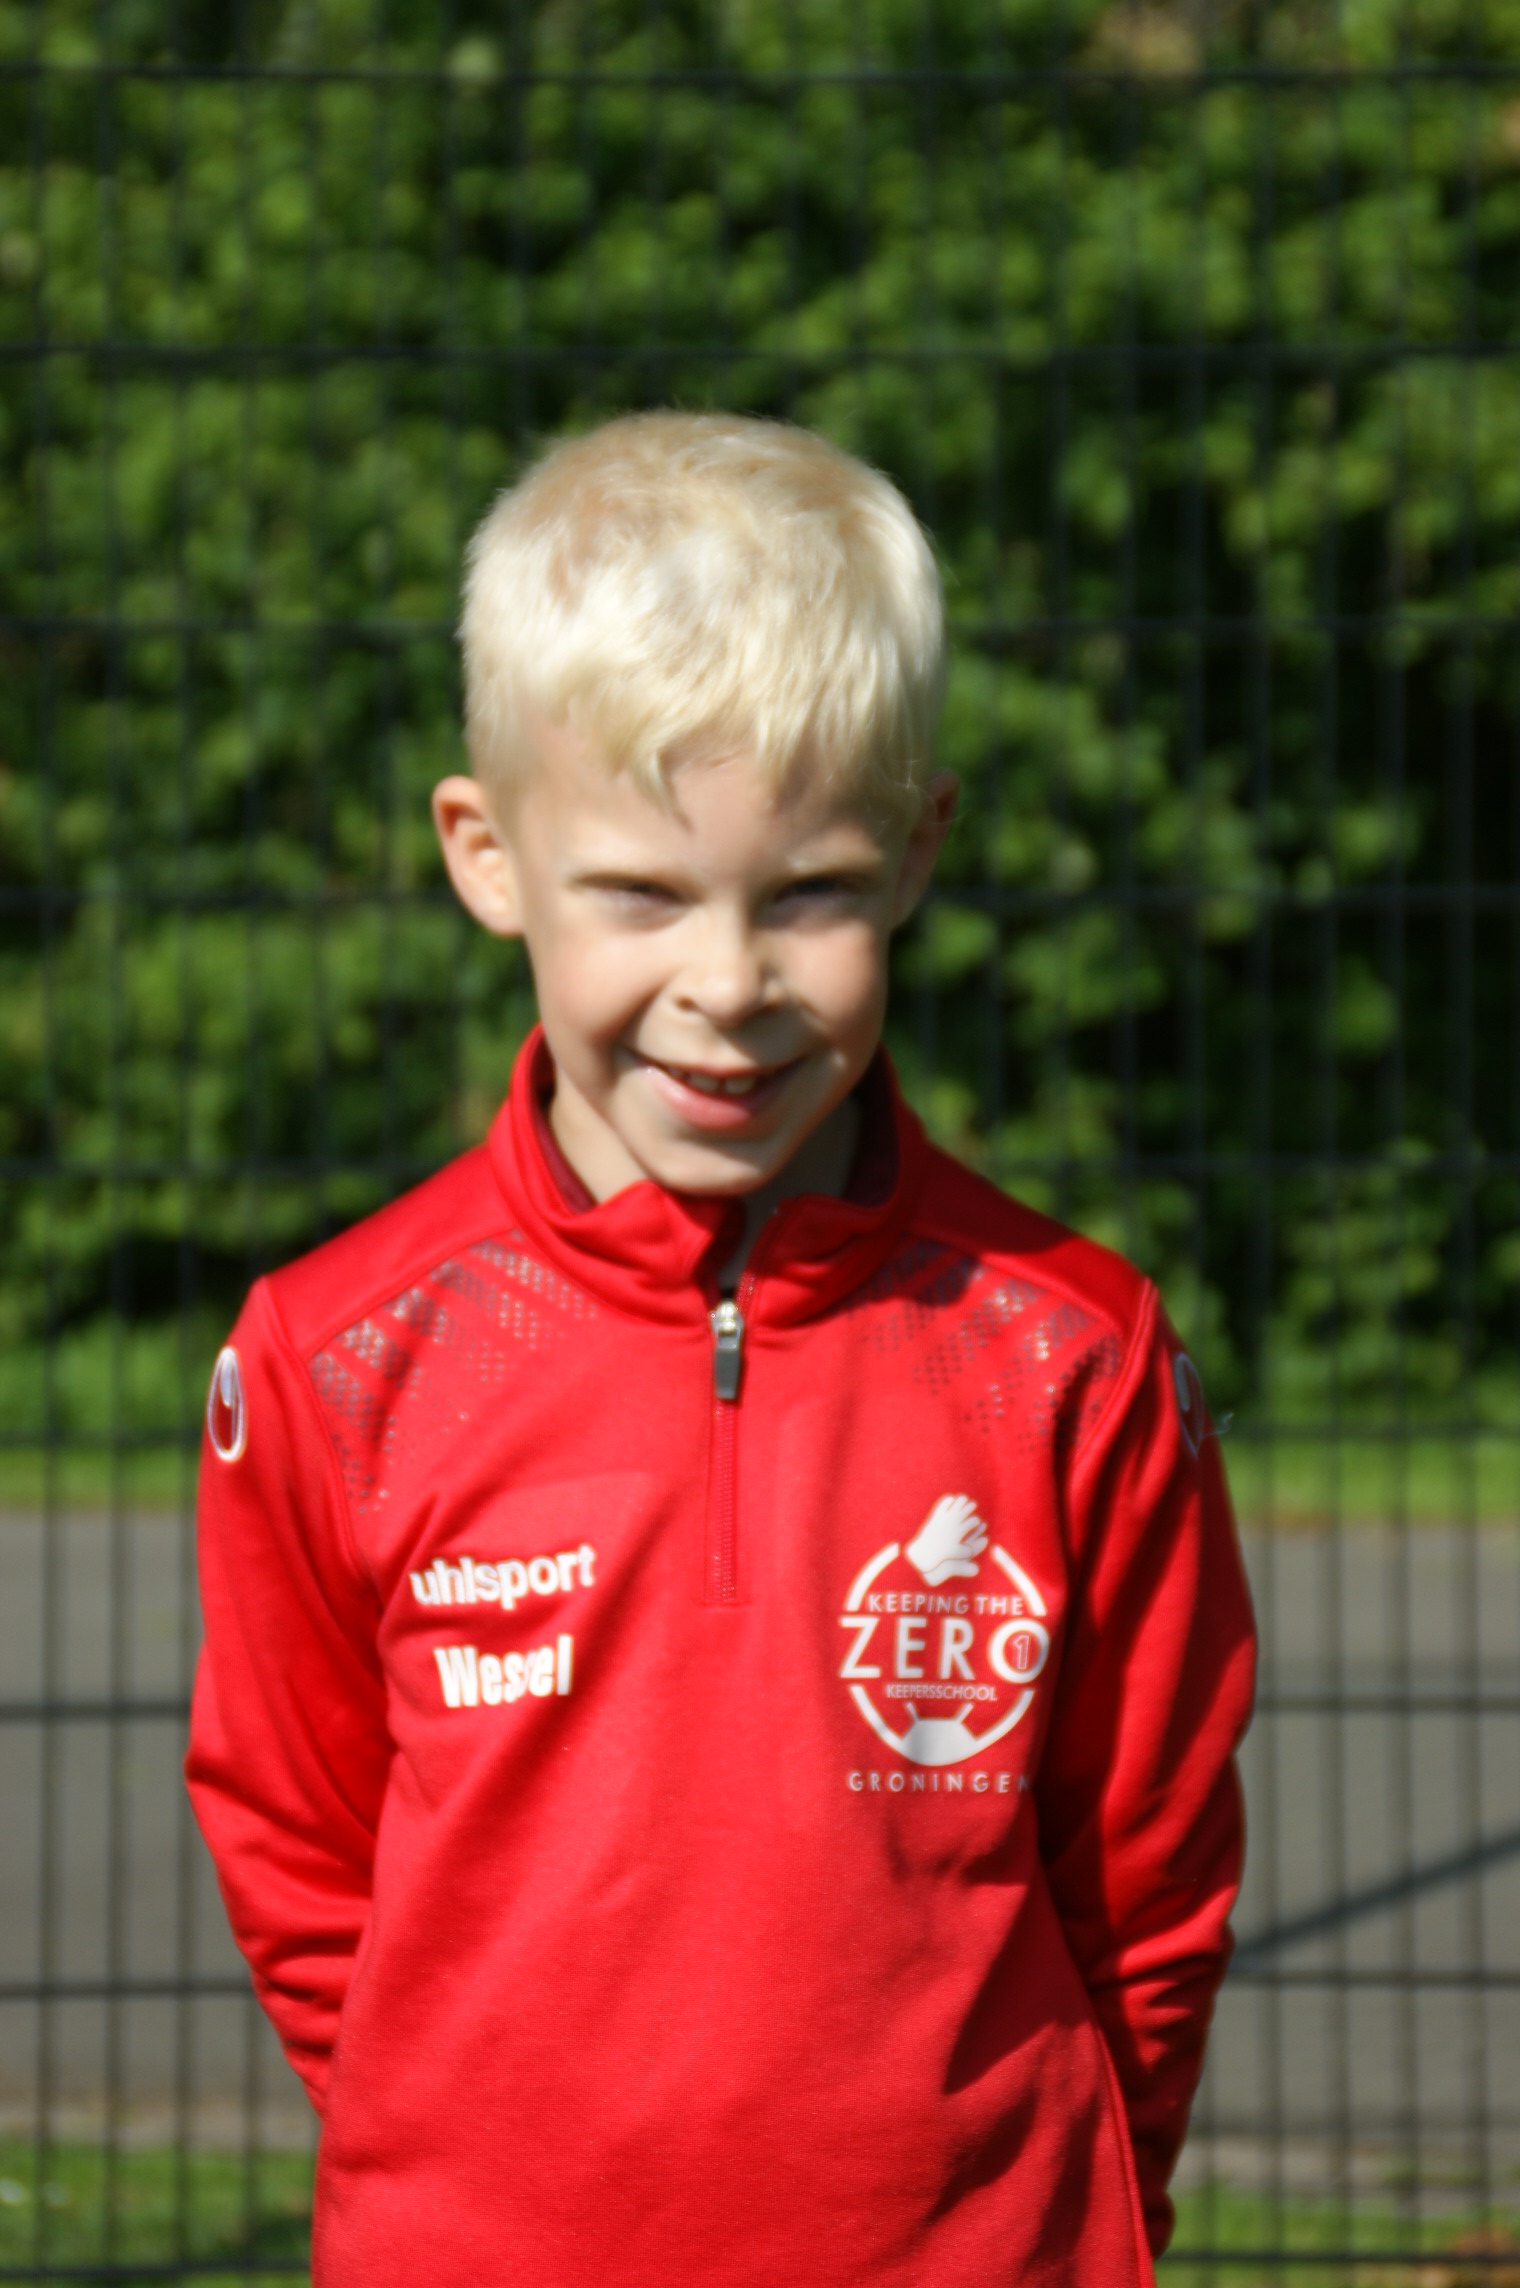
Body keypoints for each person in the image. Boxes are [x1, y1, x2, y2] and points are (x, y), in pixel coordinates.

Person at [187, 412, 1256, 2288]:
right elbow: (303, 1858)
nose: (730, 981)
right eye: (642, 893)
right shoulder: (336, 1363)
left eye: (811, 893)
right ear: (487, 856)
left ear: (917, 855)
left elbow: (1148, 1888)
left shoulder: (1071, 1357)